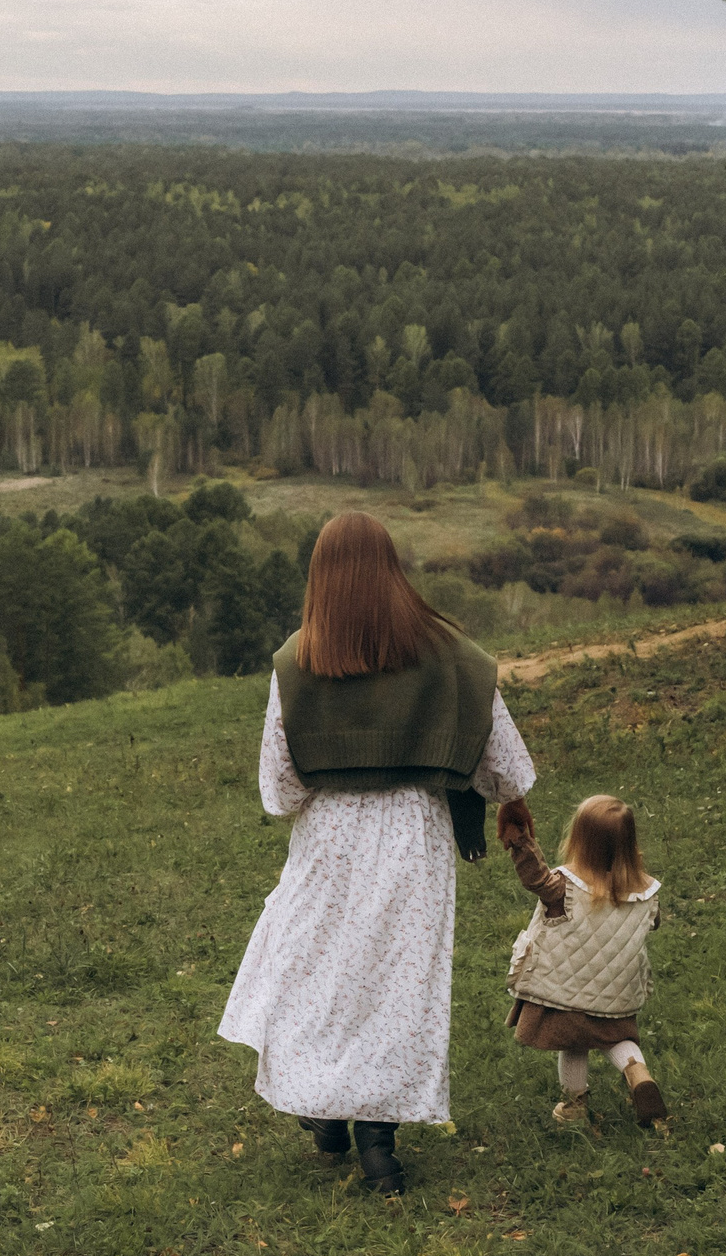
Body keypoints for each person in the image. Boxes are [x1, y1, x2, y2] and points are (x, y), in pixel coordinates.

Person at [218, 511, 537, 1195]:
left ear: (322, 579)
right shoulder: (452, 656)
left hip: (328, 840)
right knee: (396, 984)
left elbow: (277, 791)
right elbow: (508, 765)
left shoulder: (296, 663)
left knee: (318, 973)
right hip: (414, 840)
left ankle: (330, 1114)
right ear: (391, 568)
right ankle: (375, 1143)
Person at [498, 794, 670, 1129]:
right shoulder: (646, 892)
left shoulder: (564, 886)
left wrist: (521, 842)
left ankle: (574, 1105)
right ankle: (638, 1073)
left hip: (567, 989)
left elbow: (535, 879)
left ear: (580, 840)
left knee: (573, 1044)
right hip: (616, 993)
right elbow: (654, 921)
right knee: (617, 1039)